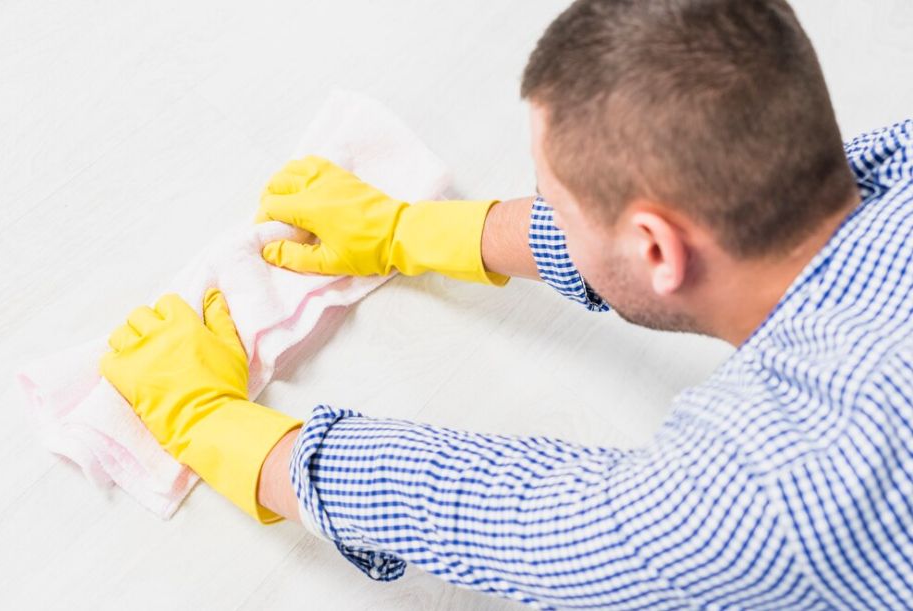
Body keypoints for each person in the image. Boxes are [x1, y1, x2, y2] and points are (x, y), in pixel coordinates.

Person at [97, 0, 913, 608]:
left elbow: (527, 521)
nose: (544, 206)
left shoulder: (785, 491)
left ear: (659, 249)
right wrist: (420, 231)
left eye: (556, 201)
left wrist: (220, 427)